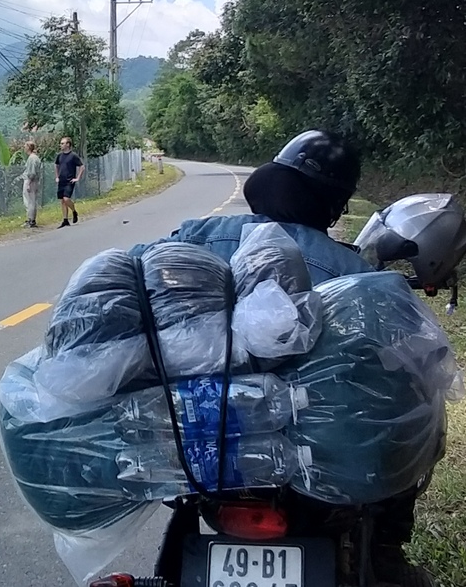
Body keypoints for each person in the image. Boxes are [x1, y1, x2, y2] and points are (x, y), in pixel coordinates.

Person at [129, 129, 433, 587]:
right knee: (415, 422)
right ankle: (387, 553)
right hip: (317, 466)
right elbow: (402, 369)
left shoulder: (193, 236)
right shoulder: (353, 271)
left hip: (202, 450)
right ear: (332, 205)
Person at [55, 137, 84, 229]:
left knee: (66, 199)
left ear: (68, 144)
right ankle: (65, 220)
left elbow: (82, 166)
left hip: (69, 180)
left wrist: (77, 178)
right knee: (62, 201)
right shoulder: (59, 156)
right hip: (61, 180)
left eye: (63, 143)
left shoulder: (73, 156)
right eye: (61, 143)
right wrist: (57, 177)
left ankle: (74, 211)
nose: (61, 145)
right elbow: (56, 165)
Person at [21, 141, 42, 228]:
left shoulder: (32, 158)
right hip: (34, 181)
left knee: (29, 201)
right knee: (32, 201)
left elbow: (32, 172)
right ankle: (31, 219)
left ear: (29, 147)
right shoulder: (35, 157)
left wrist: (29, 183)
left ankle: (31, 220)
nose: (24, 148)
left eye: (25, 146)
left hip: (30, 181)